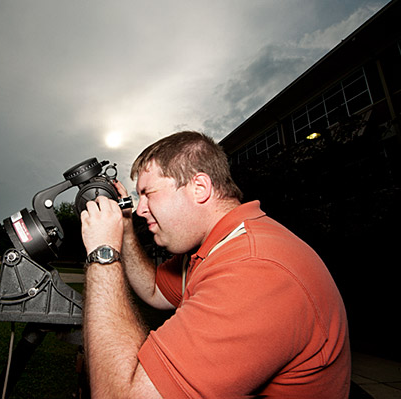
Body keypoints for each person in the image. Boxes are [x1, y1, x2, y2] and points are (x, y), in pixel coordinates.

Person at [80, 131, 350, 398]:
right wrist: (125, 230)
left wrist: (103, 254)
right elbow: (154, 290)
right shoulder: (214, 246)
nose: (140, 209)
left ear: (199, 188)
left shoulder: (253, 270)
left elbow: (121, 395)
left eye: (148, 193)